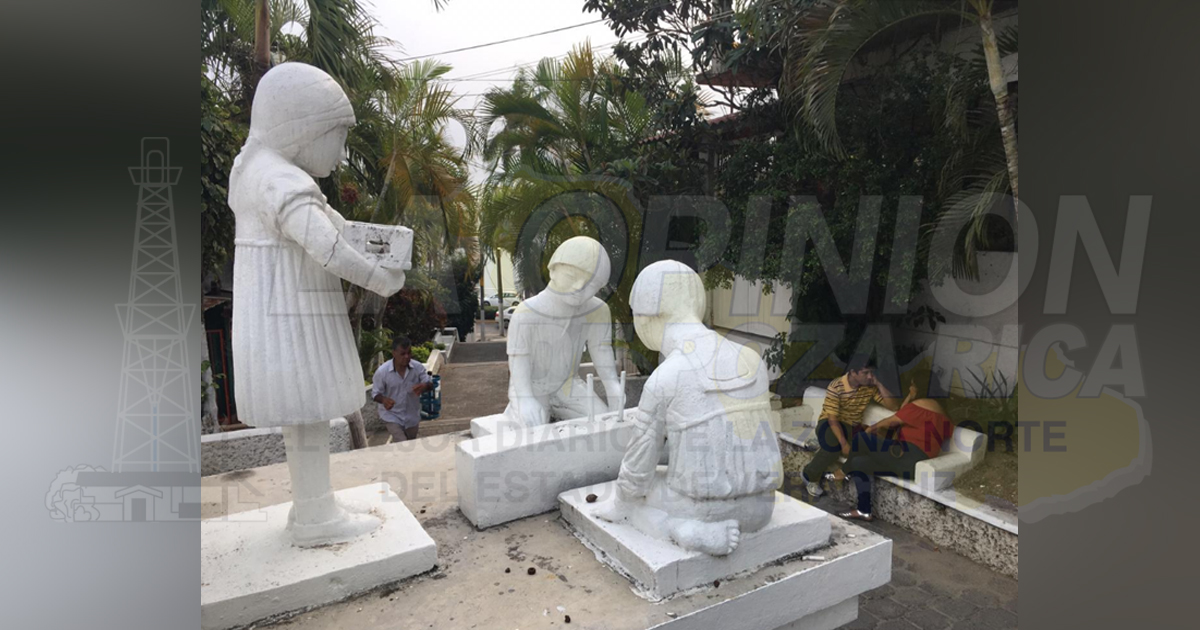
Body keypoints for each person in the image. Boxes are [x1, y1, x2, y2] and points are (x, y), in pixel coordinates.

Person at [596, 261, 781, 556]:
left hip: (702, 510)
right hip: (762, 507)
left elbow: (638, 467)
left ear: (647, 316)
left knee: (634, 498)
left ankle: (680, 529)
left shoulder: (666, 377)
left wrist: (620, 503)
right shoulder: (751, 360)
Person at [501, 236, 623, 430]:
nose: (579, 287)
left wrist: (612, 386)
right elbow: (519, 359)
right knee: (534, 428)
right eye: (572, 276)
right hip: (531, 385)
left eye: (591, 284)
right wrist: (525, 398)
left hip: (567, 384)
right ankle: (519, 409)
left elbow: (601, 349)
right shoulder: (527, 313)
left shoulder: (597, 310)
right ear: (553, 270)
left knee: (602, 420)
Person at [839, 384, 956, 521]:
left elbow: (893, 421)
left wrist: (871, 428)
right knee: (859, 463)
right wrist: (910, 397)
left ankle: (842, 472)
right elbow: (902, 413)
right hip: (911, 467)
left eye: (912, 385)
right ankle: (864, 510)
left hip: (906, 454)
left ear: (918, 387)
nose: (910, 388)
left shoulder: (921, 405)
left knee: (862, 438)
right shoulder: (942, 414)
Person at [801, 355, 901, 498]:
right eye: (866, 373)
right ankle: (809, 475)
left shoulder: (870, 387)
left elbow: (894, 406)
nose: (870, 376)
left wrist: (878, 383)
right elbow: (832, 419)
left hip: (852, 427)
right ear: (853, 372)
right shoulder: (837, 386)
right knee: (833, 448)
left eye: (872, 372)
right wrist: (844, 444)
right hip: (829, 423)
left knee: (865, 450)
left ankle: (820, 443)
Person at [372, 336, 434, 443]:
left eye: (409, 353)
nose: (406, 356)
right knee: (403, 443)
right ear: (394, 353)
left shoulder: (417, 368)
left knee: (410, 444)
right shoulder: (382, 372)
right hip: (392, 416)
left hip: (412, 417)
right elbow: (375, 394)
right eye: (402, 354)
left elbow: (430, 383)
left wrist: (425, 386)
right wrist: (384, 400)